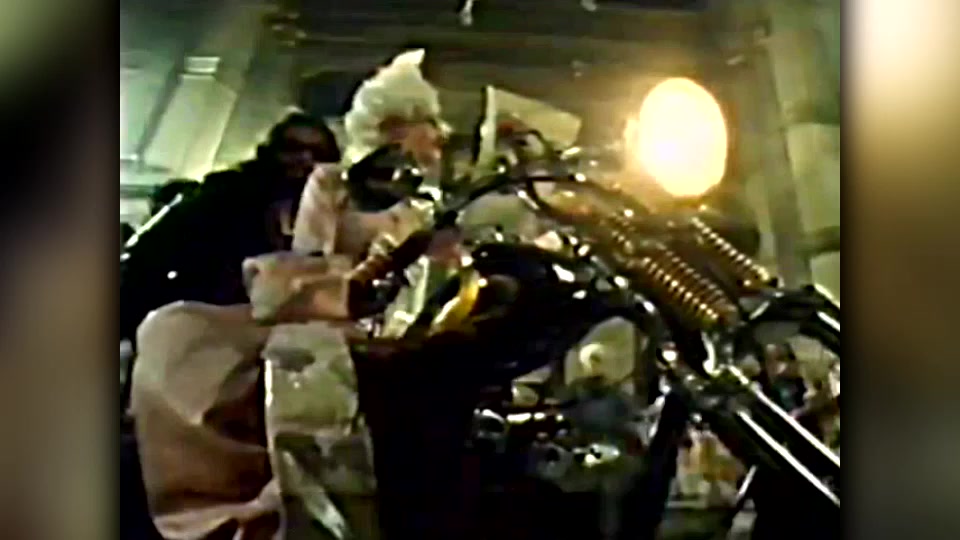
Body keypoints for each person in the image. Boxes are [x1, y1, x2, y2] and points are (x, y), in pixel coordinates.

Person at [130, 49, 458, 540]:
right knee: (184, 335)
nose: (436, 136)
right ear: (392, 127)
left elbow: (444, 268)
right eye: (424, 124)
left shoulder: (427, 201)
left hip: (400, 318)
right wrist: (363, 278)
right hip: (323, 309)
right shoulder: (332, 183)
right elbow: (309, 255)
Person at [119, 113, 342, 345]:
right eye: (293, 148)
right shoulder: (224, 193)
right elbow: (146, 252)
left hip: (286, 334)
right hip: (208, 327)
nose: (305, 159)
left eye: (319, 153)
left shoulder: (333, 210)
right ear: (270, 151)